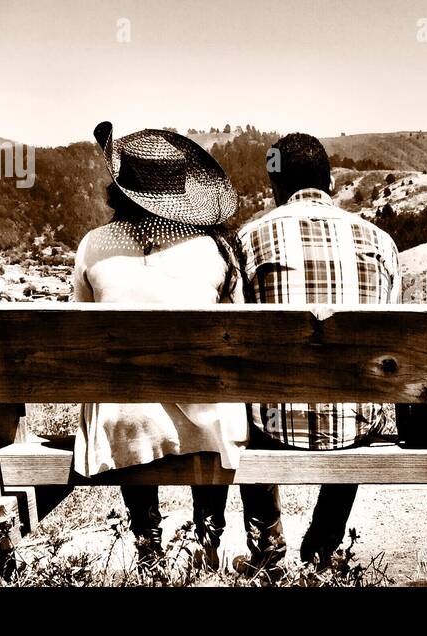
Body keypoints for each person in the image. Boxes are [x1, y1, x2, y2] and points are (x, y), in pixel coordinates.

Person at [71, 122, 283, 572]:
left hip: (123, 425)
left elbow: (80, 329)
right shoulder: (217, 249)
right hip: (207, 427)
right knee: (213, 399)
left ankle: (149, 546)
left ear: (121, 187)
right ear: (182, 192)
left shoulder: (92, 246)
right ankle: (207, 536)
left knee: (126, 398)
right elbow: (239, 337)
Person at [237, 133, 401, 570]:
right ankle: (324, 543)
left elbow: (235, 345)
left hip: (270, 428)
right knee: (357, 394)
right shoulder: (381, 243)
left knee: (246, 397)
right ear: (330, 181)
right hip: (355, 429)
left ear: (275, 186)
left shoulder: (248, 240)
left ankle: (268, 547)